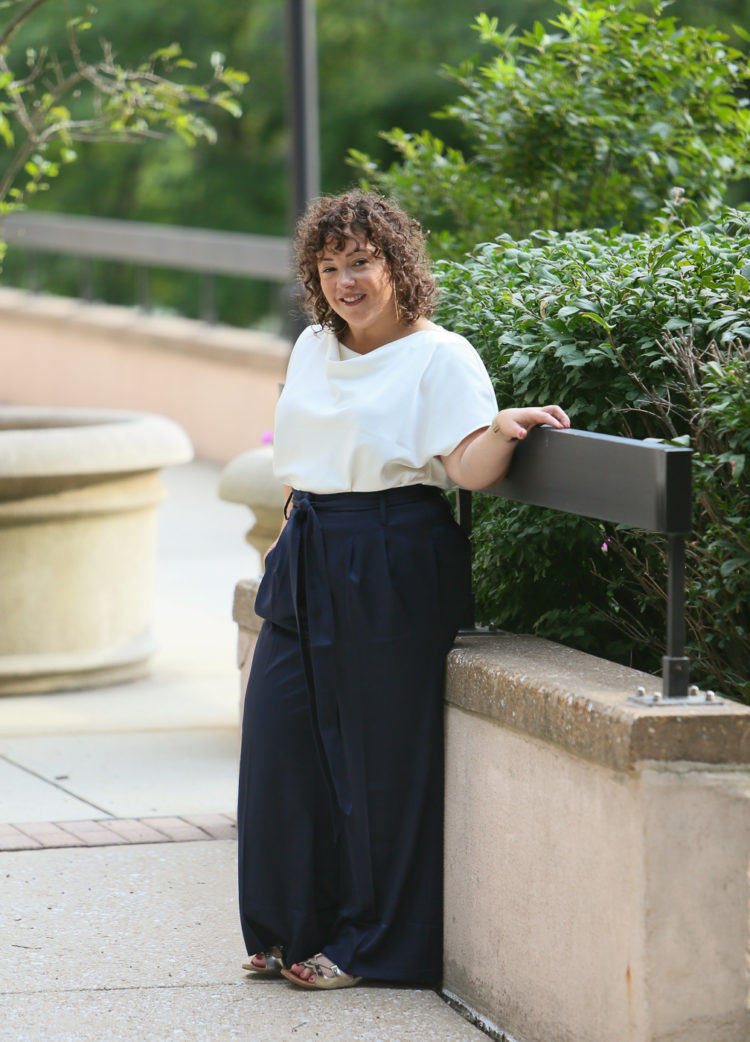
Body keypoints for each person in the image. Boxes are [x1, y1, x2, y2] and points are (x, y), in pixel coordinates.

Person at [237, 190, 569, 990]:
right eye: (330, 267)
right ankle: (289, 923)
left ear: (396, 264)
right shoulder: (314, 345)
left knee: (378, 760)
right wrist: (290, 536)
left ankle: (372, 945)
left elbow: (463, 468)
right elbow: (302, 451)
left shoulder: (440, 355)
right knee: (280, 743)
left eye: (362, 262)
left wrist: (499, 432)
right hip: (310, 546)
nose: (346, 282)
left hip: (391, 551)